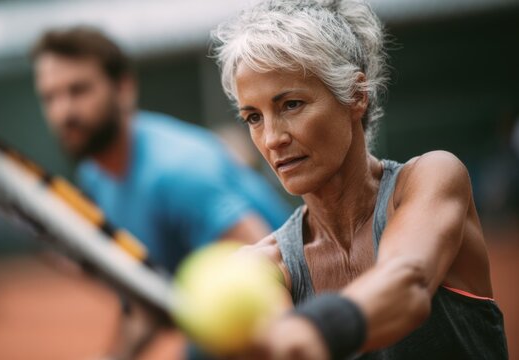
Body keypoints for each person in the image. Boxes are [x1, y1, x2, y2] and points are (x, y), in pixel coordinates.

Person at [211, 0, 508, 359]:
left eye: (290, 104)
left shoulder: (432, 177)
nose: (272, 138)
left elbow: (408, 283)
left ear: (356, 95)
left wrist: (310, 330)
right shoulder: (265, 266)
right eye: (254, 117)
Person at [30, 26, 291, 358]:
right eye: (50, 97)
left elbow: (273, 278)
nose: (63, 112)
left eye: (78, 90)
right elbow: (147, 297)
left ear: (124, 89)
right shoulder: (94, 175)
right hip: (213, 322)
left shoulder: (177, 171)